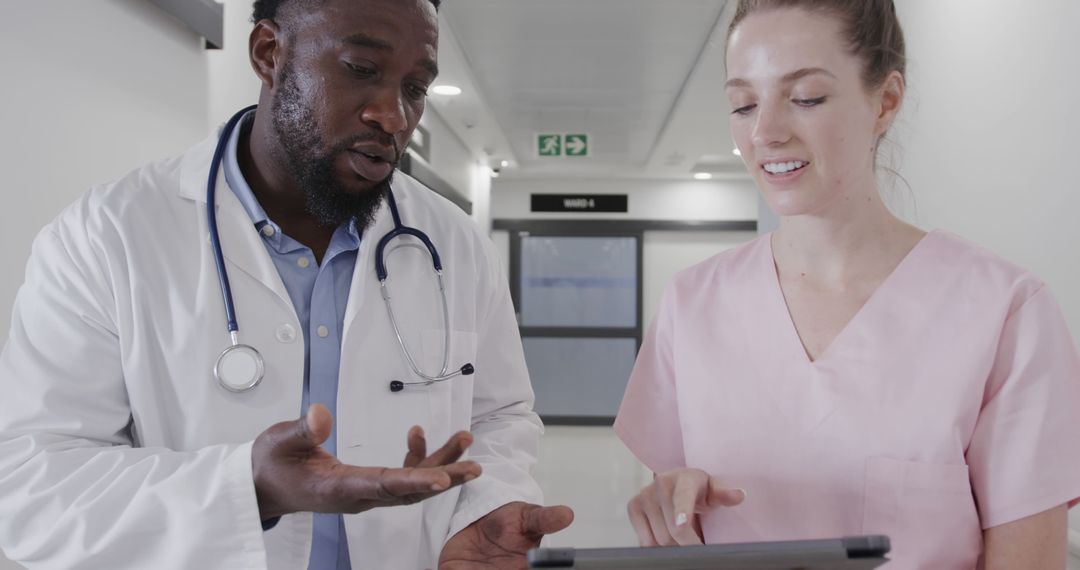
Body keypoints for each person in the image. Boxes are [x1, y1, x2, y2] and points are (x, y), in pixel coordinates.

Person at [0, 0, 573, 568]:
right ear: (270, 53)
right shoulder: (106, 235)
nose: (394, 116)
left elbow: (500, 414)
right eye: (361, 69)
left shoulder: (455, 242)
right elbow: (31, 486)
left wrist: (486, 505)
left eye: (416, 87)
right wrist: (248, 485)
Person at [613, 0, 1080, 568]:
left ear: (885, 101)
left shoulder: (1005, 311)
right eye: (743, 104)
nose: (765, 133)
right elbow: (681, 508)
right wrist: (672, 503)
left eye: (806, 98)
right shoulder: (692, 304)